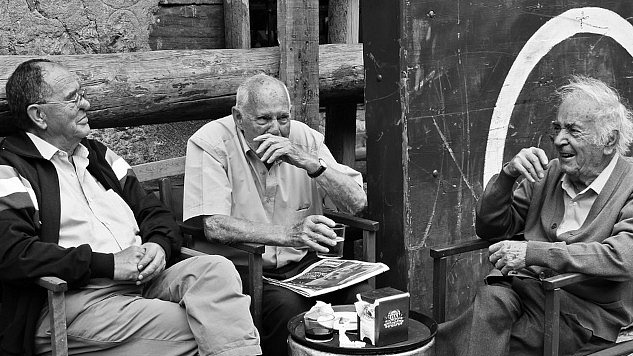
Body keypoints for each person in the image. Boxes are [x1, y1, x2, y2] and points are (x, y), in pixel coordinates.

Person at [0, 59, 261, 356]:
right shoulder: (10, 169)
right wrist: (109, 264)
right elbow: (13, 253)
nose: (86, 103)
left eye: (82, 92)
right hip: (75, 300)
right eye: (73, 98)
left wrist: (160, 246)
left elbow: (155, 212)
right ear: (39, 115)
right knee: (209, 327)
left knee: (217, 269)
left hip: (144, 281)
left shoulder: (97, 156)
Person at [436, 75, 633, 356]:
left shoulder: (629, 184)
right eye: (557, 128)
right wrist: (507, 176)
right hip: (521, 290)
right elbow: (490, 228)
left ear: (609, 140)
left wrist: (534, 253)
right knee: (491, 299)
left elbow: (623, 258)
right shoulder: (549, 172)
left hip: (580, 313)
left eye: (573, 131)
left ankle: (430, 346)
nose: (559, 140)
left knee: (490, 342)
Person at [183, 73, 369, 355]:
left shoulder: (304, 138)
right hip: (242, 268)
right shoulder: (211, 143)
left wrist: (310, 164)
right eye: (263, 120)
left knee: (362, 299)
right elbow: (215, 226)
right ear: (238, 117)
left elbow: (356, 203)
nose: (276, 130)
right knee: (288, 309)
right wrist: (289, 235)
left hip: (305, 266)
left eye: (283, 118)